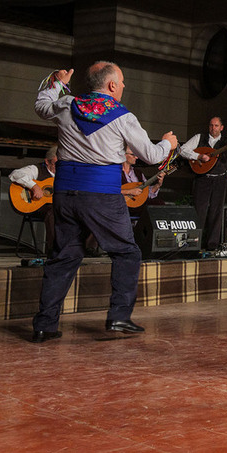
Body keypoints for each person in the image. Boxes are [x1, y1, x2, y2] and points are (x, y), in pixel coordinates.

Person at [30, 62, 178, 342]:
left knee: (63, 257)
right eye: (121, 82)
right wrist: (168, 144)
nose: (123, 87)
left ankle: (44, 325)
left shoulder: (66, 104)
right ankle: (119, 317)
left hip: (65, 193)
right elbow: (151, 155)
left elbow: (41, 105)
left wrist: (57, 83)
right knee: (126, 253)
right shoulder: (122, 116)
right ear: (111, 85)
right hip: (101, 195)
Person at [178, 117, 227, 250]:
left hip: (220, 179)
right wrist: (198, 156)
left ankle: (212, 246)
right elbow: (182, 149)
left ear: (222, 127)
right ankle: (193, 245)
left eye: (216, 126)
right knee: (199, 211)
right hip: (202, 178)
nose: (213, 128)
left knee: (216, 212)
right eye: (211, 125)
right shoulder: (199, 137)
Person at [9, 145, 57, 255]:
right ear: (47, 162)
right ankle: (54, 250)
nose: (59, 167)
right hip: (35, 206)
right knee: (53, 211)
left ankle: (88, 248)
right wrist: (34, 186)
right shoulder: (36, 169)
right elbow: (15, 174)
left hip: (59, 207)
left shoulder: (65, 174)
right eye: (55, 164)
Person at [120, 147, 165, 214]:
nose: (136, 157)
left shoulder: (138, 173)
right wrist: (130, 191)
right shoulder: (115, 172)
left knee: (159, 204)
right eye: (133, 155)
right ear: (124, 155)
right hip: (121, 204)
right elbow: (109, 190)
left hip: (137, 203)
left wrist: (158, 184)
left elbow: (147, 193)